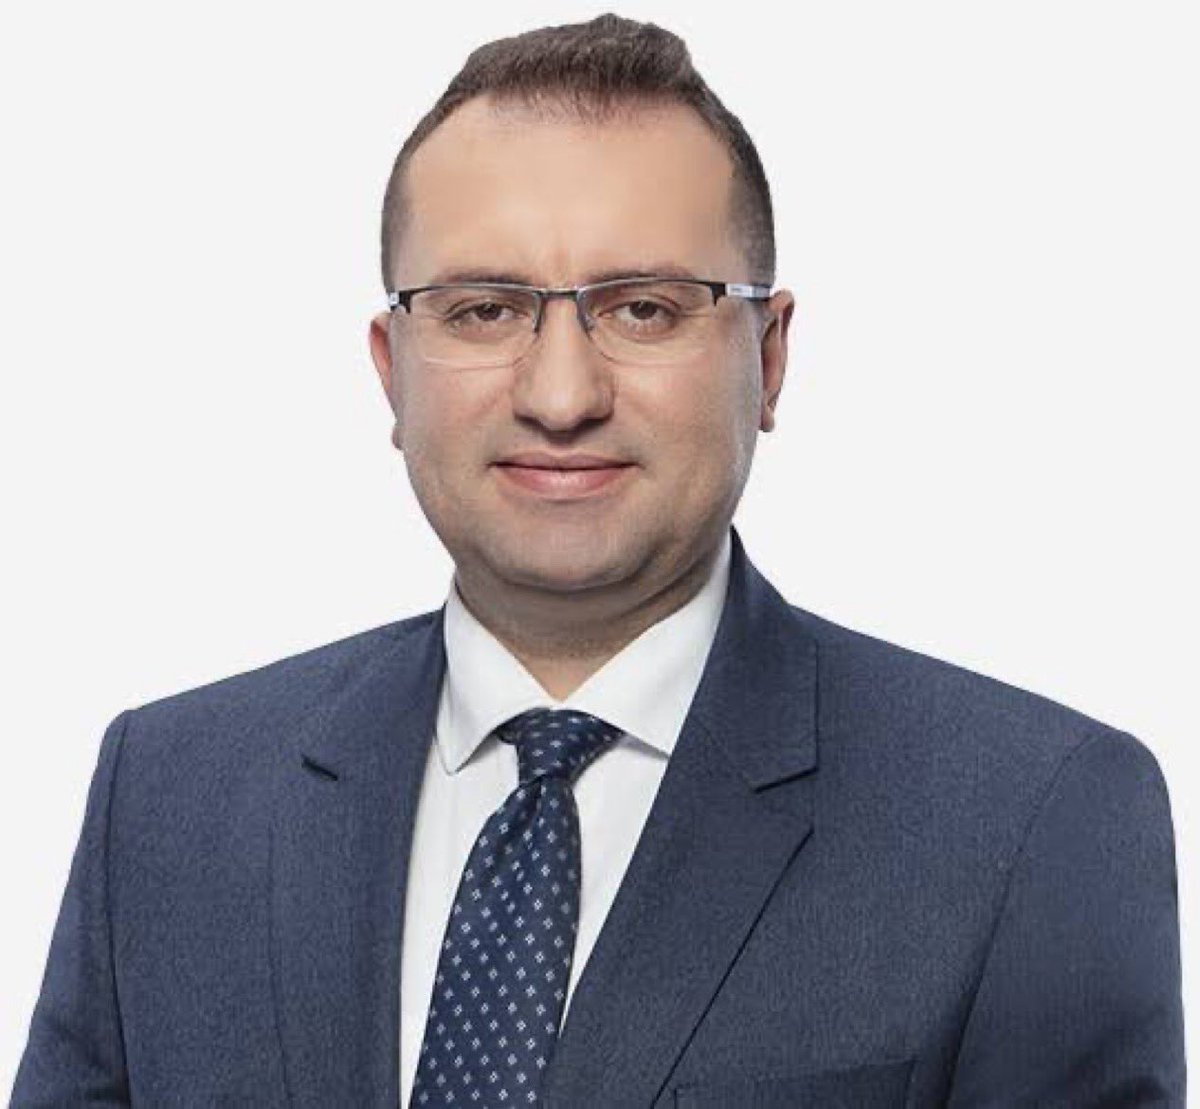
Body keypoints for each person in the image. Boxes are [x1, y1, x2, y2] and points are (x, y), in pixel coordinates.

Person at [10, 12, 1184, 1108]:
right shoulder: (169, 795)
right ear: (392, 368)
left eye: (644, 309)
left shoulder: (1031, 817)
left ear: (769, 357)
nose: (561, 394)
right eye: (484, 309)